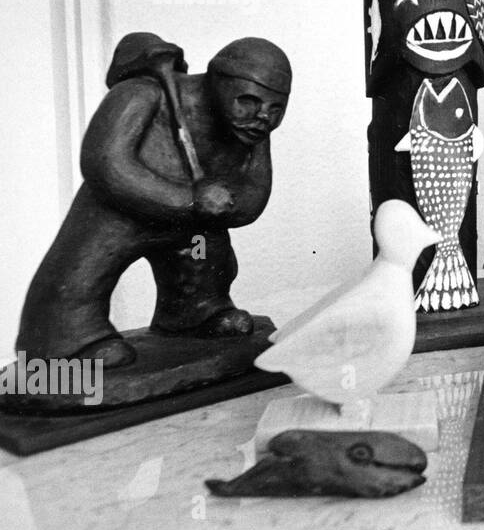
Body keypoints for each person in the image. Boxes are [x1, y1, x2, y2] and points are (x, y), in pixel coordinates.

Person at [17, 35, 292, 367]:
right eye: (248, 101)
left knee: (204, 254)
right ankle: (64, 343)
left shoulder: (251, 129)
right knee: (78, 277)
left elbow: (254, 195)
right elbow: (104, 162)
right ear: (216, 80)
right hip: (120, 211)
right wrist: (190, 199)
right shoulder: (143, 94)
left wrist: (226, 206)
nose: (263, 116)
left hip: (191, 231)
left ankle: (195, 315)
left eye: (276, 109)